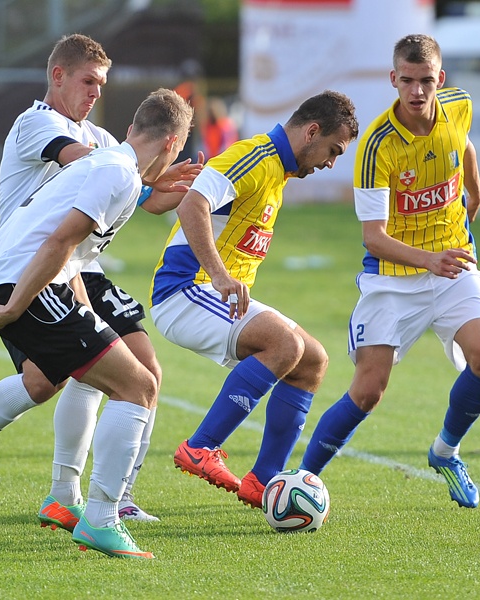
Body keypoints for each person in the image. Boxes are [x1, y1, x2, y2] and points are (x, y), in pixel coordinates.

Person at [0, 34, 201, 526]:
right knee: (45, 383)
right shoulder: (35, 123)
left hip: (80, 264)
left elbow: (138, 194)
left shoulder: (109, 141)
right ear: (58, 76)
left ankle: (112, 496)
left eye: (102, 84)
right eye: (88, 81)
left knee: (140, 371)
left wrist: (177, 186)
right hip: (32, 264)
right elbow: (85, 166)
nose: (95, 93)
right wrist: (149, 167)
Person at [299, 34, 480, 509]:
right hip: (393, 278)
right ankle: (300, 481)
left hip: (453, 266)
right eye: (407, 81)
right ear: (393, 79)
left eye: (426, 81)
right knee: (369, 391)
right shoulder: (376, 146)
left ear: (441, 80)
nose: (416, 91)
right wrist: (430, 259)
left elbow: (463, 144)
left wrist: (474, 190)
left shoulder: (459, 106)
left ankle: (446, 452)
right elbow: (373, 236)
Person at [150, 90, 359, 508]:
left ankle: (262, 481)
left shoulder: (277, 173)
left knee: (312, 360)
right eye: (332, 151)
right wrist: (221, 276)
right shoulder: (254, 157)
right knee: (286, 344)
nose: (331, 163)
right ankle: (201, 447)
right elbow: (193, 206)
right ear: (311, 131)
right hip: (183, 291)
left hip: (216, 296)